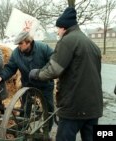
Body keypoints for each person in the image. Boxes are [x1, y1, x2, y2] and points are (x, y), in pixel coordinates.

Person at [29, 6, 103, 141]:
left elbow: (54, 70)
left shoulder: (68, 41)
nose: (57, 32)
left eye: (58, 29)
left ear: (63, 28)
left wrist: (37, 74)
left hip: (74, 106)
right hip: (93, 107)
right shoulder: (92, 45)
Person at [0, 31, 55, 133]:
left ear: (28, 42)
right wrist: (1, 76)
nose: (19, 46)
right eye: (18, 44)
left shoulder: (43, 48)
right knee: (25, 109)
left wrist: (45, 72)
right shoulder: (16, 53)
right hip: (27, 84)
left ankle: (46, 132)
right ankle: (22, 130)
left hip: (45, 84)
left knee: (49, 109)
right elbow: (10, 68)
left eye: (21, 43)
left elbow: (54, 61)